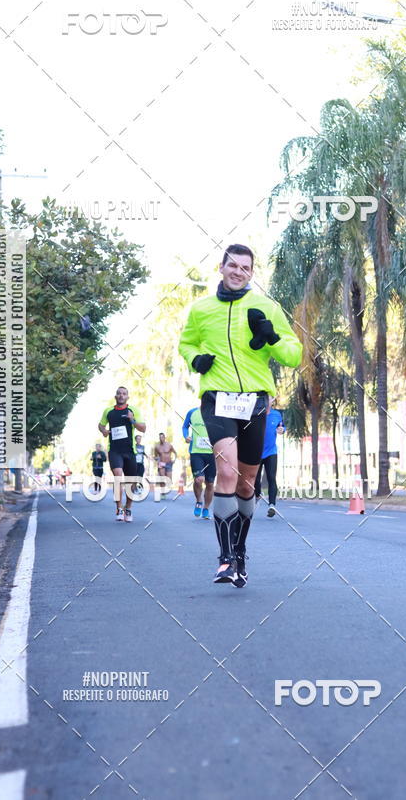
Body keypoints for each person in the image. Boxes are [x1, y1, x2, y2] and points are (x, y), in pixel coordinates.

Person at [179, 243, 301, 587]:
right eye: (233, 265)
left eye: (245, 268)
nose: (238, 272)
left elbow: (294, 354)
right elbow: (186, 343)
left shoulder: (266, 307)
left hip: (255, 401)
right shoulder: (201, 309)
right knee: (227, 470)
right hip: (217, 399)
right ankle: (224, 559)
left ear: (252, 273)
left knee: (248, 482)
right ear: (221, 267)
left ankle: (240, 551)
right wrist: (195, 360)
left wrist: (272, 337)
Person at [98, 386, 146, 522]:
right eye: (119, 393)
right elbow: (101, 425)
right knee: (118, 476)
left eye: (124, 394)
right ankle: (119, 507)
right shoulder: (108, 411)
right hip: (114, 450)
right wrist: (104, 431)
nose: (121, 396)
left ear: (127, 397)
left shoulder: (134, 410)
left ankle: (128, 507)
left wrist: (132, 420)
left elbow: (143, 429)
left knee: (131, 482)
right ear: (115, 396)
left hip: (130, 451)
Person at [182, 406, 215, 519]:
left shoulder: (217, 412)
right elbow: (185, 426)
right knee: (199, 479)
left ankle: (206, 508)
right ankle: (199, 501)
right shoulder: (192, 412)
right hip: (196, 452)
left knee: (210, 483)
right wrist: (186, 436)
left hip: (212, 453)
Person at [254, 398, 285, 517]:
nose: (267, 400)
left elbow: (282, 426)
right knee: (255, 479)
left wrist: (282, 430)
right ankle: (258, 494)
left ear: (273, 400)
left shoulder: (277, 414)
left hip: (271, 451)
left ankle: (272, 505)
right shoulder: (256, 413)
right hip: (256, 451)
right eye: (265, 398)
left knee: (272, 477)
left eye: (270, 398)